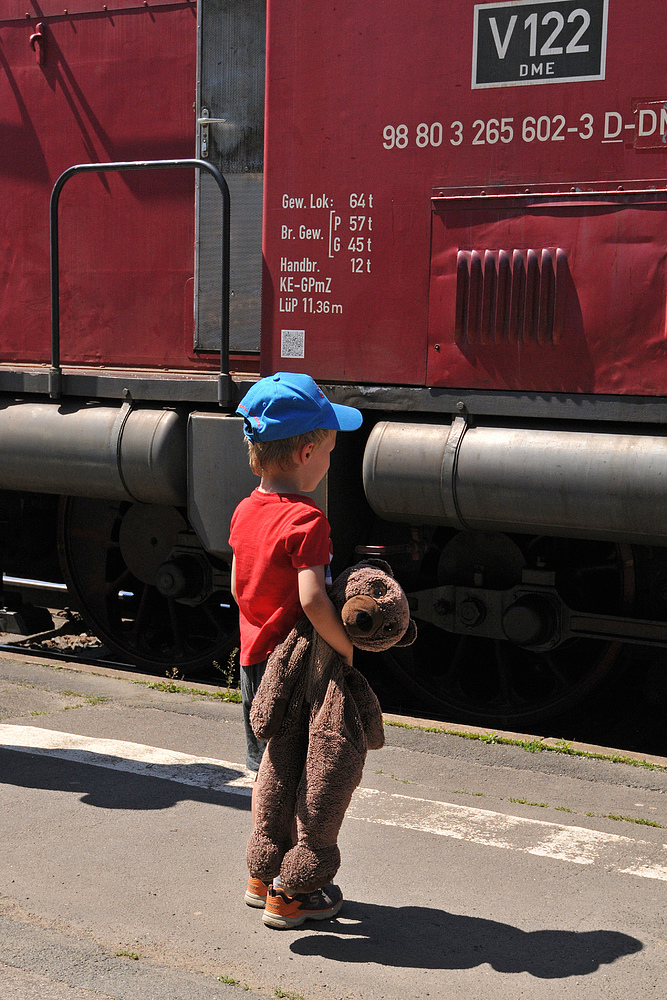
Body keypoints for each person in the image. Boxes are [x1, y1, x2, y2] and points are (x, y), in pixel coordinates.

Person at [229, 371, 363, 929]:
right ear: (307, 450)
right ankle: (296, 891)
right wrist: (345, 647)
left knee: (266, 770)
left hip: (253, 661)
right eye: (330, 450)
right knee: (306, 775)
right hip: (298, 670)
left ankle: (262, 876)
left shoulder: (244, 511)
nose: (330, 460)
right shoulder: (307, 520)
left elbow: (238, 581)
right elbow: (312, 598)